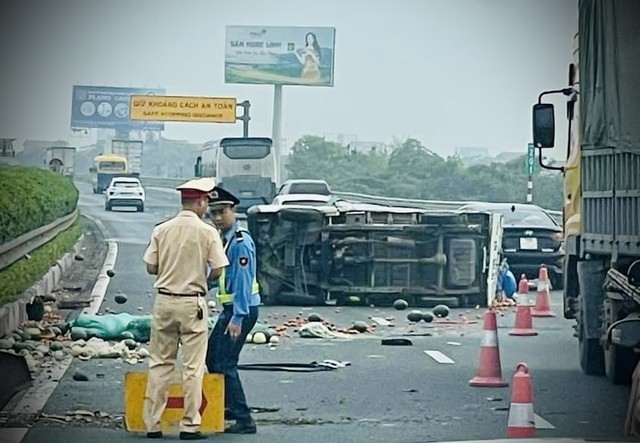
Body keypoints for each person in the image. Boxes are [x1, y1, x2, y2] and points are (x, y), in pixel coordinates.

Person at [142, 177, 229, 441]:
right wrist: (201, 277)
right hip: (192, 303)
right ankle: (190, 425)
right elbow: (218, 269)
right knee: (193, 367)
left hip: (164, 302)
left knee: (159, 364)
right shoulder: (207, 232)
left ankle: (152, 424)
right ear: (202, 201)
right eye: (206, 203)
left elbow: (151, 267)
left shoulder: (162, 229)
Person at [205, 187, 260, 435]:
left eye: (222, 212)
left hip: (241, 310)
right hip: (231, 309)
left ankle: (244, 419)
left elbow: (242, 282)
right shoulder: (225, 239)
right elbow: (224, 276)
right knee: (211, 355)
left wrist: (237, 317)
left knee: (226, 363)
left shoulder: (240, 242)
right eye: (213, 213)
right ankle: (226, 404)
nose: (217, 217)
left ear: (233, 211)